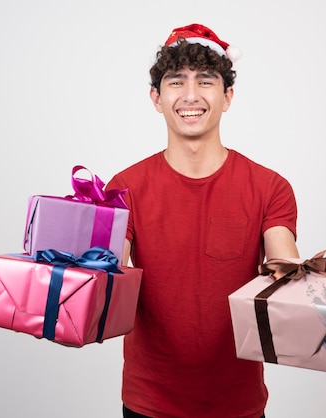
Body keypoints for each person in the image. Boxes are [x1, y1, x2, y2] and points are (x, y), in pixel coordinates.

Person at [106, 23, 299, 418]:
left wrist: (303, 283)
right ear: (156, 98)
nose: (190, 95)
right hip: (148, 403)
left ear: (227, 97)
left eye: (206, 81)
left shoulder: (270, 187)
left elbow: (285, 264)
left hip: (238, 406)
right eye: (176, 82)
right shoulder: (124, 187)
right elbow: (107, 268)